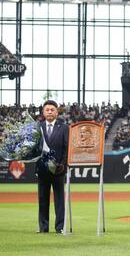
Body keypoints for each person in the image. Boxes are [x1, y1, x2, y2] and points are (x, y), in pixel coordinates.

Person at [36, 100, 69, 234]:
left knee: (59, 200)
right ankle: (43, 228)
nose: (50, 111)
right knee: (43, 200)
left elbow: (67, 148)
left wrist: (62, 164)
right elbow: (34, 149)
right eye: (47, 109)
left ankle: (60, 227)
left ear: (56, 112)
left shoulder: (64, 127)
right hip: (42, 169)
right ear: (43, 112)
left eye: (52, 109)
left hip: (58, 170)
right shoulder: (38, 127)